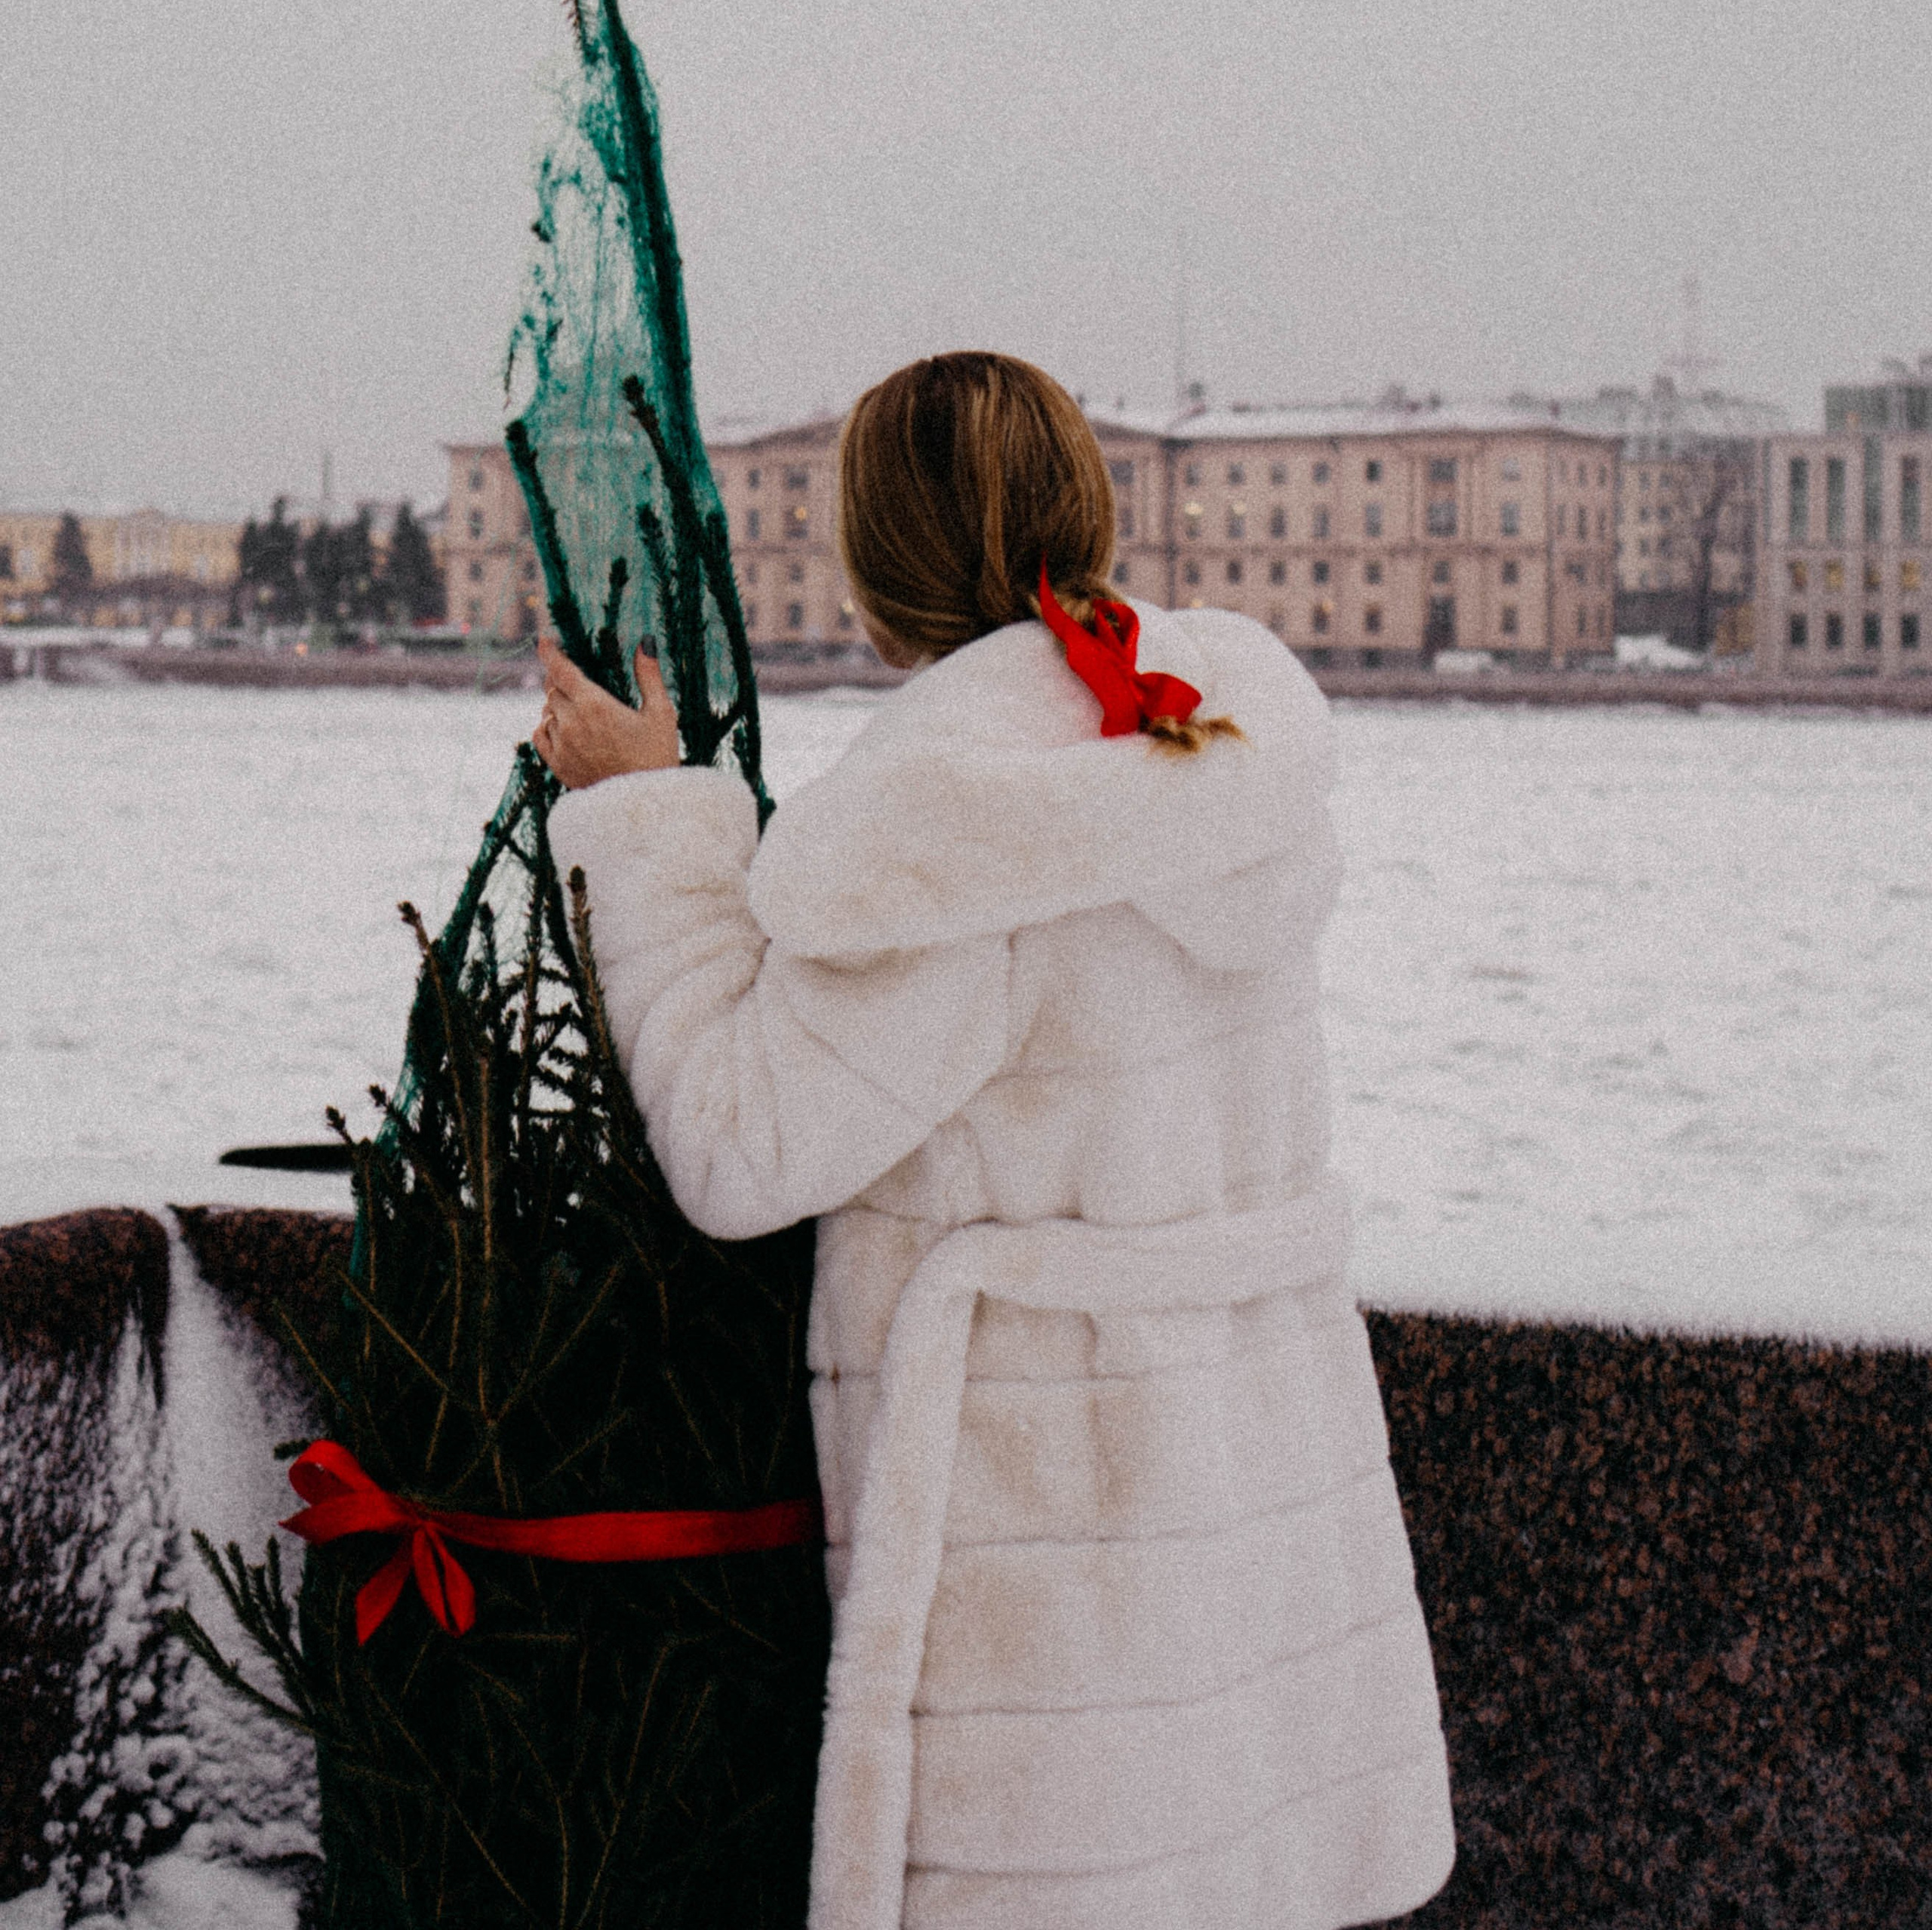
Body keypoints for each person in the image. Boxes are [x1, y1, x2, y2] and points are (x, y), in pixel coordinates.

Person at [535, 351, 1454, 1930]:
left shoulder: (952, 826)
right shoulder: (1199, 750)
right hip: (1249, 1529)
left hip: (1051, 1574)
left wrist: (652, 824)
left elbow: (742, 1151)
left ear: (875, 561)